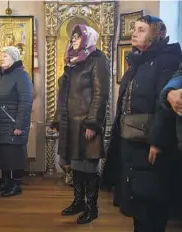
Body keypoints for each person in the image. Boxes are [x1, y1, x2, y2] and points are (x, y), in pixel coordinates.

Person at [102, 15, 182, 231]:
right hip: (132, 142)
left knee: (152, 205)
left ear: (157, 35)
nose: (134, 33)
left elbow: (164, 105)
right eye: (134, 29)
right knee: (137, 203)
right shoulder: (138, 61)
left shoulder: (166, 60)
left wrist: (157, 141)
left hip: (150, 144)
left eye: (141, 29)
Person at [51, 25, 109, 224]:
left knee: (89, 167)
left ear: (87, 39)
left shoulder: (97, 60)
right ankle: (78, 202)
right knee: (76, 166)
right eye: (72, 37)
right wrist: (59, 119)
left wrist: (93, 123)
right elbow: (63, 95)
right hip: (71, 124)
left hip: (86, 123)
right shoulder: (73, 62)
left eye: (78, 36)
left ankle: (92, 208)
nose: (73, 40)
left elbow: (100, 95)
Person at [0, 46, 34, 197]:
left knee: (14, 156)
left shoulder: (21, 76)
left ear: (14, 58)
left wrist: (19, 125)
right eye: (1, 56)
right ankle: (5, 182)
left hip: (12, 124)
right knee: (2, 155)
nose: (2, 58)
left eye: (5, 56)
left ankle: (15, 184)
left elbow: (26, 103)